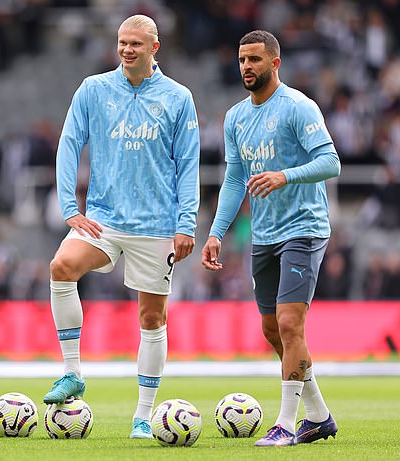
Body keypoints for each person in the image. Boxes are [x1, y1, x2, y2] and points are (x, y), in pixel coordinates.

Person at [43, 15, 200, 439]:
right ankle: (72, 372)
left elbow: (188, 166)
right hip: (104, 220)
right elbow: (69, 145)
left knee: (152, 317)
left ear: (155, 48)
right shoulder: (94, 89)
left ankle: (143, 416)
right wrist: (68, 208)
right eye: (122, 42)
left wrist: (186, 223)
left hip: (156, 226)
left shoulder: (178, 97)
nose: (127, 49)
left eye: (135, 43)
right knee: (61, 266)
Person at [201, 30, 340, 447]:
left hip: (304, 227)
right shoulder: (236, 118)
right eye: (242, 60)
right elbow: (234, 180)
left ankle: (285, 423)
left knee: (289, 322)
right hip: (264, 234)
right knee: (272, 330)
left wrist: (286, 175)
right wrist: (215, 232)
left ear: (275, 63)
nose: (247, 67)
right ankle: (318, 417)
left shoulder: (298, 107)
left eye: (255, 60)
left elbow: (330, 161)